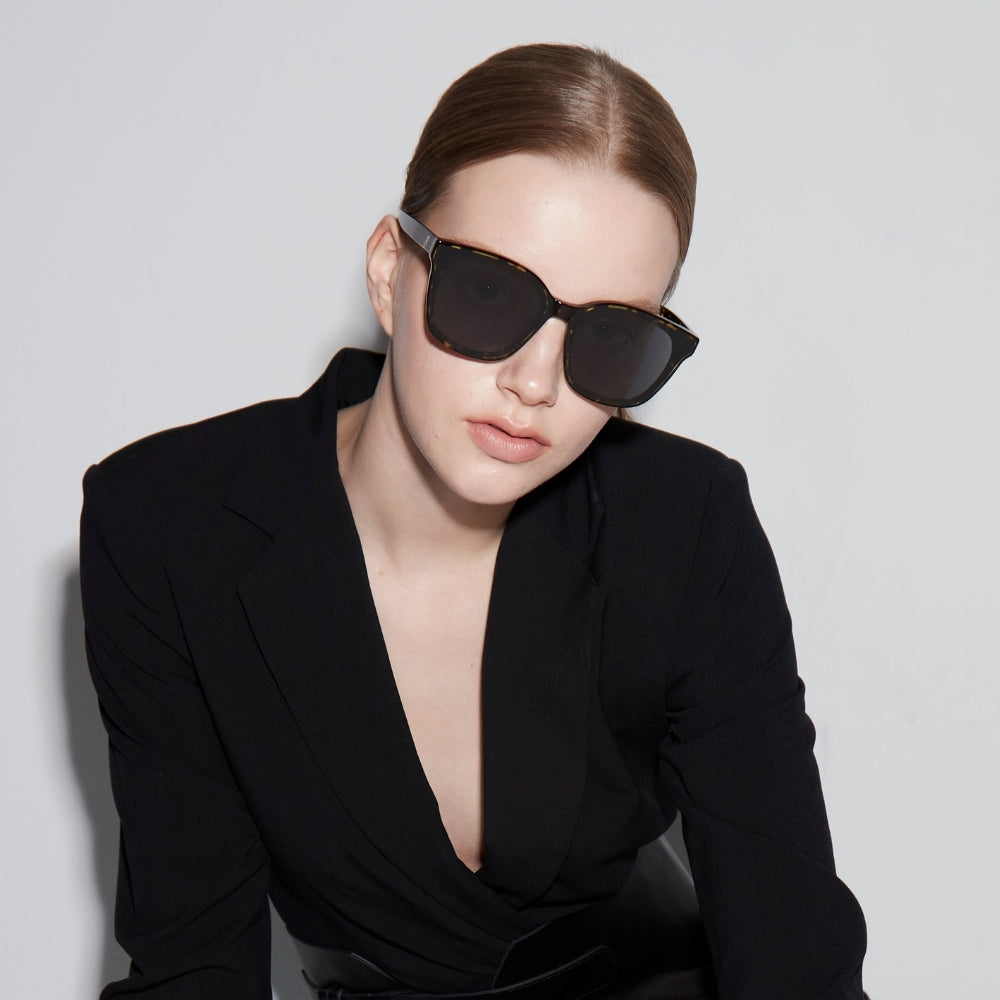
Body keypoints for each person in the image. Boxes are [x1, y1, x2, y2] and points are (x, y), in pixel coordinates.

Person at [80, 43, 867, 1000]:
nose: (535, 383)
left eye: (610, 336)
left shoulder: (684, 525)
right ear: (390, 270)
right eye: (490, 292)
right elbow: (192, 963)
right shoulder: (170, 524)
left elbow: (793, 951)